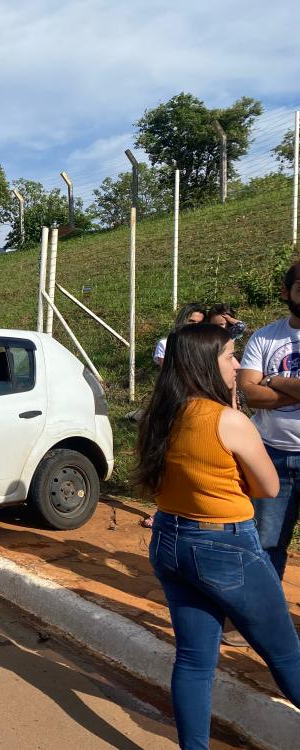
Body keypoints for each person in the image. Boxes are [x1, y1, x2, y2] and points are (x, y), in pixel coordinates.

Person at [134, 323, 300, 749]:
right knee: (286, 655)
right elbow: (269, 487)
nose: (238, 363)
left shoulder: (159, 415)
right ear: (206, 363)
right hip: (225, 546)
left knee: (193, 660)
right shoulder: (230, 421)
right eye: (230, 355)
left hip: (170, 540)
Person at [238, 260, 300, 579]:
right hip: (271, 456)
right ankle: (268, 619)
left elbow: (258, 387)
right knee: (266, 544)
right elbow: (249, 395)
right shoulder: (265, 338)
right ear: (286, 292)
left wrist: (271, 380)